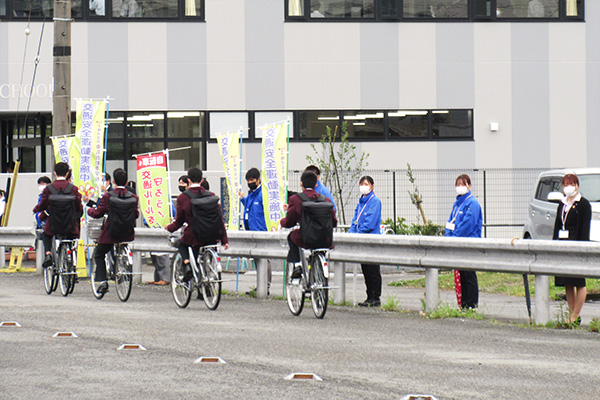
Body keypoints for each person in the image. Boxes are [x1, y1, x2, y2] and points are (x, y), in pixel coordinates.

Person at [166, 167, 229, 281]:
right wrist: (224, 240)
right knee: (205, 260)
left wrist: (169, 228)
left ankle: (187, 265)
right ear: (201, 180)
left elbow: (179, 221)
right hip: (212, 236)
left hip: (194, 236)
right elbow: (219, 220)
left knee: (180, 243)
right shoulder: (211, 195)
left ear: (188, 180)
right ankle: (206, 291)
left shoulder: (183, 197)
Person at [87, 168, 139, 294]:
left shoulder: (108, 196)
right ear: (126, 181)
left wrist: (89, 211)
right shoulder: (133, 197)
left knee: (99, 253)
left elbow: (98, 213)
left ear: (114, 181)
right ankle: (122, 268)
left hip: (111, 232)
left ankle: (103, 281)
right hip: (127, 233)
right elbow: (136, 214)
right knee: (120, 247)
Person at [280, 171, 337, 278]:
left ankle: (298, 265)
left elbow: (289, 222)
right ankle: (318, 271)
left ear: (301, 183)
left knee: (292, 237)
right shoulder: (326, 199)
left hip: (306, 238)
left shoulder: (296, 199)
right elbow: (334, 222)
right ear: (316, 184)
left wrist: (282, 222)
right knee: (319, 249)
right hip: (325, 239)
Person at [552, 173, 591, 325]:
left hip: (576, 246)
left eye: (571, 184)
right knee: (567, 281)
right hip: (562, 246)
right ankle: (572, 314)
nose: (568, 187)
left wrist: (581, 248)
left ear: (577, 186)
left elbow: (584, 229)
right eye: (565, 184)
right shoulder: (562, 204)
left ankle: (576, 314)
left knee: (579, 282)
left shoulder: (583, 204)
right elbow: (557, 226)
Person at [33, 162, 83, 268]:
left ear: (54, 173)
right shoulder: (73, 188)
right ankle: (71, 264)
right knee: (70, 239)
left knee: (46, 235)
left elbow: (43, 204)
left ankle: (48, 255)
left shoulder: (49, 189)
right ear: (67, 173)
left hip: (54, 223)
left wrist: (36, 210)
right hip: (69, 223)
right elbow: (78, 206)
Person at [445, 174, 482, 309]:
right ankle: (463, 304)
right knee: (461, 274)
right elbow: (450, 222)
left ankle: (471, 304)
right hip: (457, 243)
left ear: (469, 186)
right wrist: (448, 236)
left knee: (468, 274)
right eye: (458, 184)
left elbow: (468, 224)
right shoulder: (457, 204)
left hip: (468, 244)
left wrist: (455, 236)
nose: (460, 187)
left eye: (463, 184)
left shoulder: (473, 203)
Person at [349, 176, 383, 307]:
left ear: (372, 186)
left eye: (366, 184)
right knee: (366, 270)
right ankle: (369, 296)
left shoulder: (375, 201)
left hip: (371, 240)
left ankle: (376, 297)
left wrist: (358, 233)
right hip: (361, 240)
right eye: (361, 184)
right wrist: (351, 234)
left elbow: (370, 223)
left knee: (373, 270)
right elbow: (355, 221)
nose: (363, 186)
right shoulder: (360, 203)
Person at [239, 167, 271, 294]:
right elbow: (249, 206)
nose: (249, 182)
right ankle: (260, 285)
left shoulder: (264, 194)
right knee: (257, 260)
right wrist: (242, 198)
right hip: (252, 231)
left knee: (264, 259)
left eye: (252, 180)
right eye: (248, 180)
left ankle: (266, 286)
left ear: (259, 180)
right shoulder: (252, 194)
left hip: (262, 232)